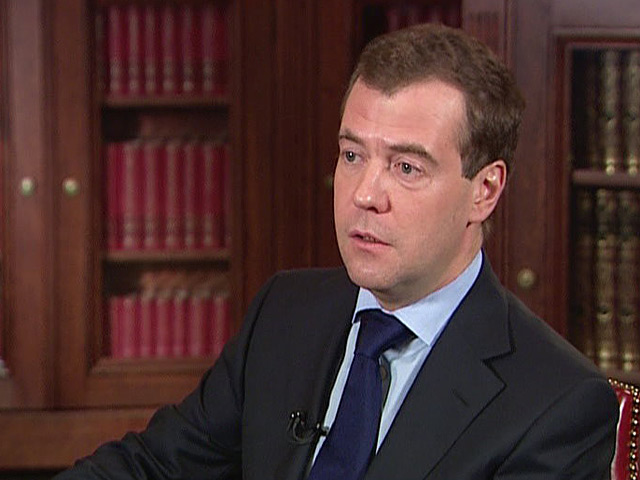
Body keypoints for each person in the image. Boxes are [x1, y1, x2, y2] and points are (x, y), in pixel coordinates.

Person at [55, 23, 619, 480]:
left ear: (485, 191)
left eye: (406, 167)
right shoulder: (285, 313)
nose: (365, 195)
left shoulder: (557, 405)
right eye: (352, 156)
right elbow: (154, 466)